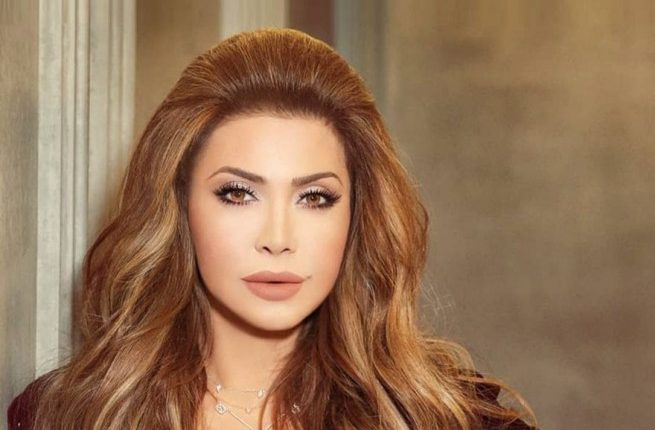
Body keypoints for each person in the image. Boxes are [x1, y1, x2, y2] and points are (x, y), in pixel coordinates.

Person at [7, 28, 537, 430]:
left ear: (357, 214)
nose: (278, 238)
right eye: (238, 194)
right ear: (179, 205)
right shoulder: (70, 414)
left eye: (315, 198)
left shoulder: (451, 417)